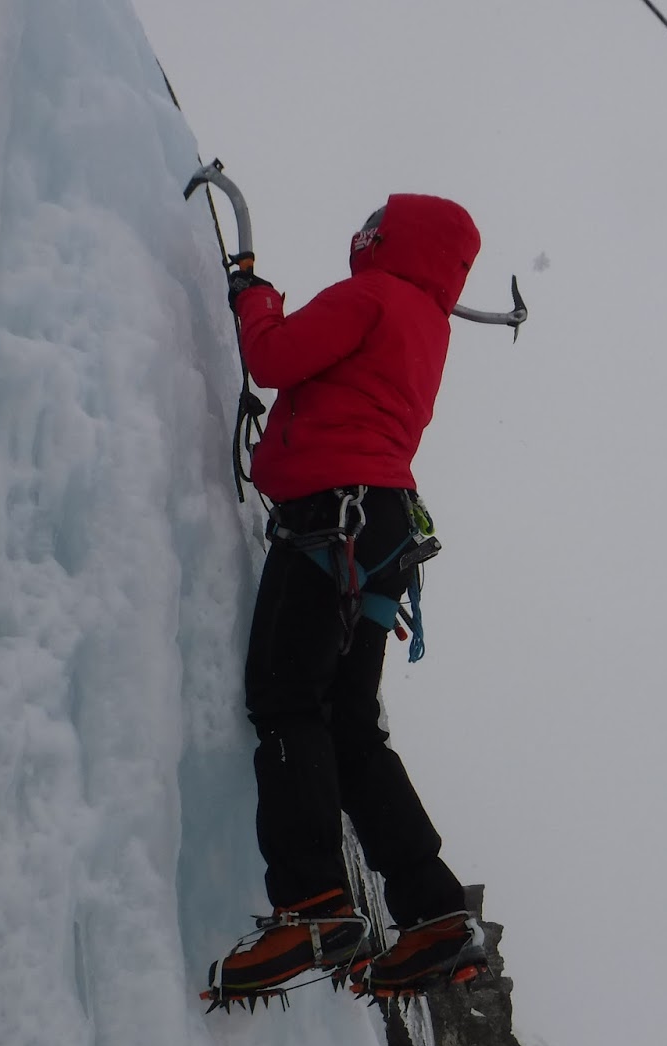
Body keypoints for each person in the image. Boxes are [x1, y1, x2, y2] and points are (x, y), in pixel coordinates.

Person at [206, 194, 486, 1003]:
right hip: (383, 529)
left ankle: (313, 903)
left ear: (389, 239)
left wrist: (252, 297)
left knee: (286, 699)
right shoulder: (427, 321)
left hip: (333, 519)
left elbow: (277, 359)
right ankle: (432, 909)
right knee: (349, 723)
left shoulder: (370, 296)